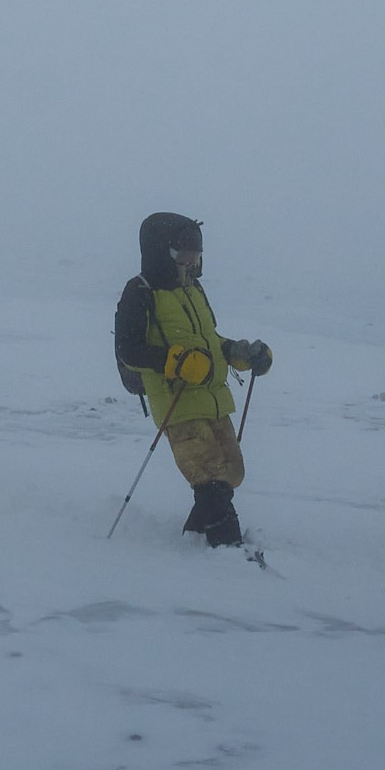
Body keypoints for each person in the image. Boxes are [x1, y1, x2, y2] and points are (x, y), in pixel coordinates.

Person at [112, 213, 272, 549]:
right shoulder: (139, 291)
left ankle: (196, 539)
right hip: (177, 400)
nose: (191, 262)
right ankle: (226, 546)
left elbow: (209, 340)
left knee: (231, 471)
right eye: (183, 255)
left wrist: (240, 354)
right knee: (209, 477)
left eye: (195, 256)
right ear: (161, 252)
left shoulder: (193, 289)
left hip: (212, 396)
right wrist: (175, 362)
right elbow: (129, 350)